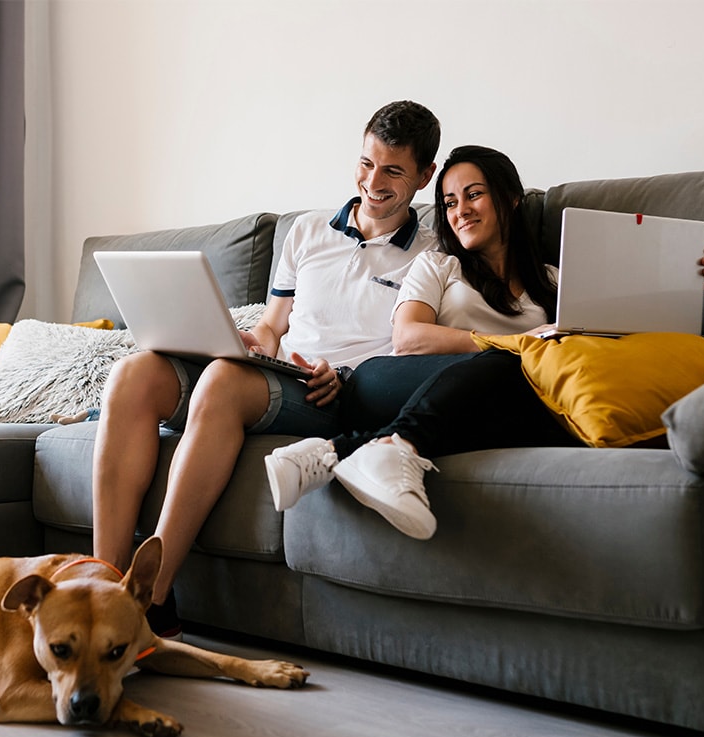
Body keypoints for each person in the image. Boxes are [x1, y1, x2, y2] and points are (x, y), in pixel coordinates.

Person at [93, 101, 443, 638]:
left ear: (424, 176)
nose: (373, 181)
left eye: (393, 170)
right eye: (367, 163)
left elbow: (417, 346)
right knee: (134, 374)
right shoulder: (306, 232)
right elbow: (272, 328)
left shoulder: (432, 251)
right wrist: (236, 339)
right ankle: (101, 589)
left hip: (336, 393)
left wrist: (347, 372)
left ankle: (150, 600)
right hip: (277, 372)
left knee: (223, 383)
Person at [265, 145, 704, 540]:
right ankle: (386, 447)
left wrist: (681, 281)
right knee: (514, 364)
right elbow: (409, 337)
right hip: (389, 382)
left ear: (511, 198)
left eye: (474, 194)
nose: (460, 209)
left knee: (541, 399)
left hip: (498, 398)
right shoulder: (437, 266)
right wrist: (517, 341)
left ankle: (335, 453)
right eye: (449, 201)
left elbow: (612, 345)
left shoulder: (556, 284)